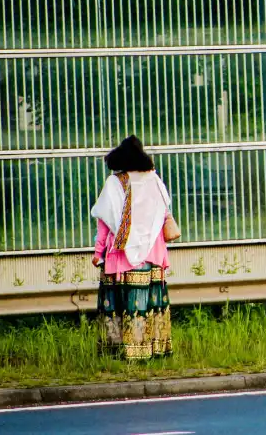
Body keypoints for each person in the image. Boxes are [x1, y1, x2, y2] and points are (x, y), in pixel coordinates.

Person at [90, 135, 174, 361]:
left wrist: (98, 253)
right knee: (150, 305)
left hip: (121, 256)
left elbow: (105, 223)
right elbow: (164, 215)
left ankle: (120, 352)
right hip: (153, 254)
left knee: (119, 304)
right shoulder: (154, 180)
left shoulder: (115, 183)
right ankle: (154, 350)